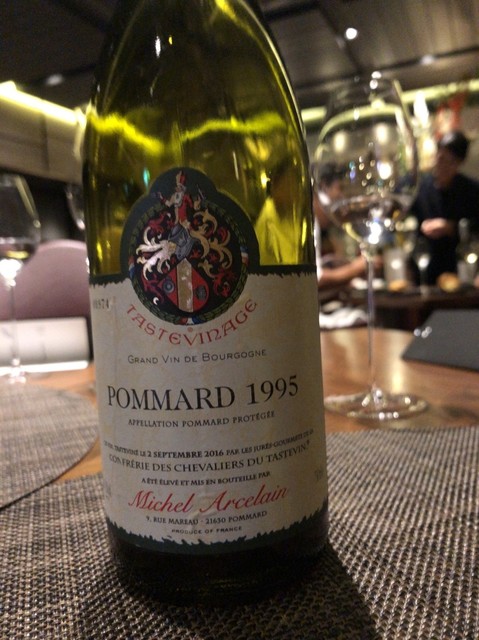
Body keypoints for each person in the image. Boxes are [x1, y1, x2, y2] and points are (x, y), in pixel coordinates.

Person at [410, 130, 479, 285]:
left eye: (451, 161)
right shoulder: (420, 188)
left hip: (461, 270)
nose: (443, 166)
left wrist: (452, 227)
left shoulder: (471, 190)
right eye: (441, 158)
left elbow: (476, 227)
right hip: (423, 270)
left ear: (460, 163)